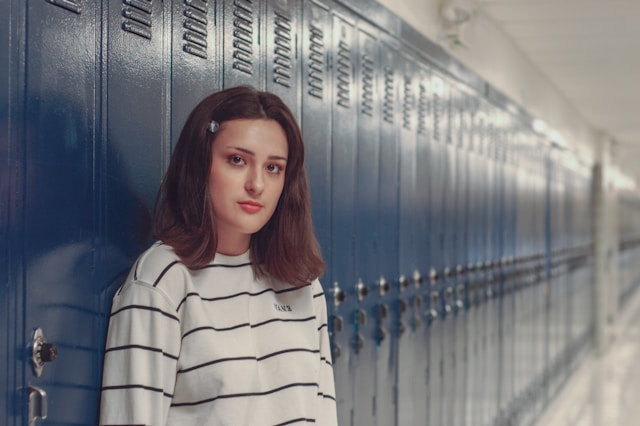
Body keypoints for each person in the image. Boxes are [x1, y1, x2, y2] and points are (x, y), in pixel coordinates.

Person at [99, 86, 337, 425]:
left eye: (273, 168)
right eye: (237, 160)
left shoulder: (301, 282)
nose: (257, 184)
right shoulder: (163, 281)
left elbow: (324, 412)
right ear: (201, 164)